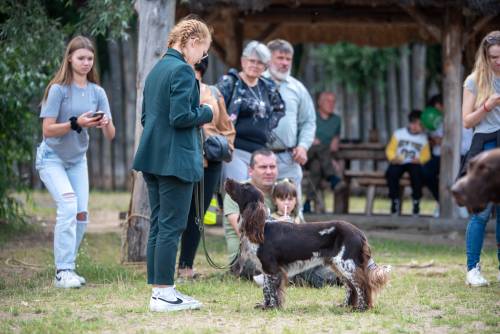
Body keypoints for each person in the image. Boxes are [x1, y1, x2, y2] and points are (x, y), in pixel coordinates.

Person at [132, 18, 213, 312]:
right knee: (171, 225)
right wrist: (206, 111)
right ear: (192, 43)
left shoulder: (156, 70)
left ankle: (160, 291)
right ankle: (165, 293)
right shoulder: (181, 70)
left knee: (159, 223)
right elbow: (180, 117)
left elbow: (146, 118)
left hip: (152, 157)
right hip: (174, 161)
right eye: (202, 51)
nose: (201, 58)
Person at [36, 36, 115, 289]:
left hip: (77, 161)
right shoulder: (58, 90)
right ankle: (63, 271)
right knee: (69, 205)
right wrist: (75, 123)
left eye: (90, 59)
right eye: (81, 58)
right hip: (52, 158)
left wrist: (105, 123)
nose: (86, 63)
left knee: (81, 215)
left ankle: (68, 266)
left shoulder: (97, 92)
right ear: (70, 58)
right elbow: (47, 130)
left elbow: (111, 135)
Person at [224, 149, 337, 288]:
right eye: (263, 167)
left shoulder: (283, 192)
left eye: (272, 167)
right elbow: (245, 233)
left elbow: (302, 229)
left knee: (306, 259)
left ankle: (338, 274)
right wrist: (279, 224)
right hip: (248, 257)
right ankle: (335, 279)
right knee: (295, 267)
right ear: (251, 170)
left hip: (280, 251)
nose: (269, 171)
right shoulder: (240, 192)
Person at [177, 56, 235, 280]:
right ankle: (162, 266)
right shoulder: (177, 90)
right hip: (182, 161)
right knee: (177, 215)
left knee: (198, 215)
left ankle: (186, 267)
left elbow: (226, 127)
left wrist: (224, 147)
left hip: (211, 164)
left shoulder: (214, 93)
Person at [461, 30, 500, 287]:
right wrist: (487, 106)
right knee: (482, 213)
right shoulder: (474, 81)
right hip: (485, 147)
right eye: (494, 57)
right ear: (485, 57)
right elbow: (466, 121)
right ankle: (472, 269)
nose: (498, 61)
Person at [216, 41, 285, 182]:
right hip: (234, 150)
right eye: (251, 61)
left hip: (260, 152)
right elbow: (215, 107)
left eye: (260, 63)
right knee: (239, 189)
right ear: (243, 61)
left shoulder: (268, 87)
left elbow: (280, 108)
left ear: (265, 66)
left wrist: (267, 127)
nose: (254, 65)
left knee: (259, 194)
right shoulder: (230, 83)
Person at [264, 39, 316, 206]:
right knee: (260, 209)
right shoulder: (256, 84)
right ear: (268, 59)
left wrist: (303, 146)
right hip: (259, 157)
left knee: (292, 211)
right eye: (280, 58)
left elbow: (308, 121)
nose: (285, 63)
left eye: (288, 59)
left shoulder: (297, 88)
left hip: (288, 158)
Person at [385, 110, 431, 216]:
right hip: (399, 161)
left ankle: (416, 202)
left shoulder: (423, 138)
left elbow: (426, 155)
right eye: (413, 123)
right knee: (391, 173)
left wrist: (420, 160)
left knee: (417, 174)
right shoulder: (399, 133)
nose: (415, 126)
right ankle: (394, 201)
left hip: (414, 162)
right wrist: (393, 158)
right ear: (409, 123)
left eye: (418, 124)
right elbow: (390, 149)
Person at [303, 91, 342, 213]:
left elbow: (334, 144)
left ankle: (308, 203)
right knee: (317, 145)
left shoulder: (336, 120)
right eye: (327, 101)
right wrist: (310, 139)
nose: (331, 104)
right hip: (306, 155)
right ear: (320, 102)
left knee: (317, 167)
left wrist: (332, 157)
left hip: (321, 159)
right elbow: (304, 136)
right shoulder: (311, 117)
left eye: (333, 101)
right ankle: (332, 176)